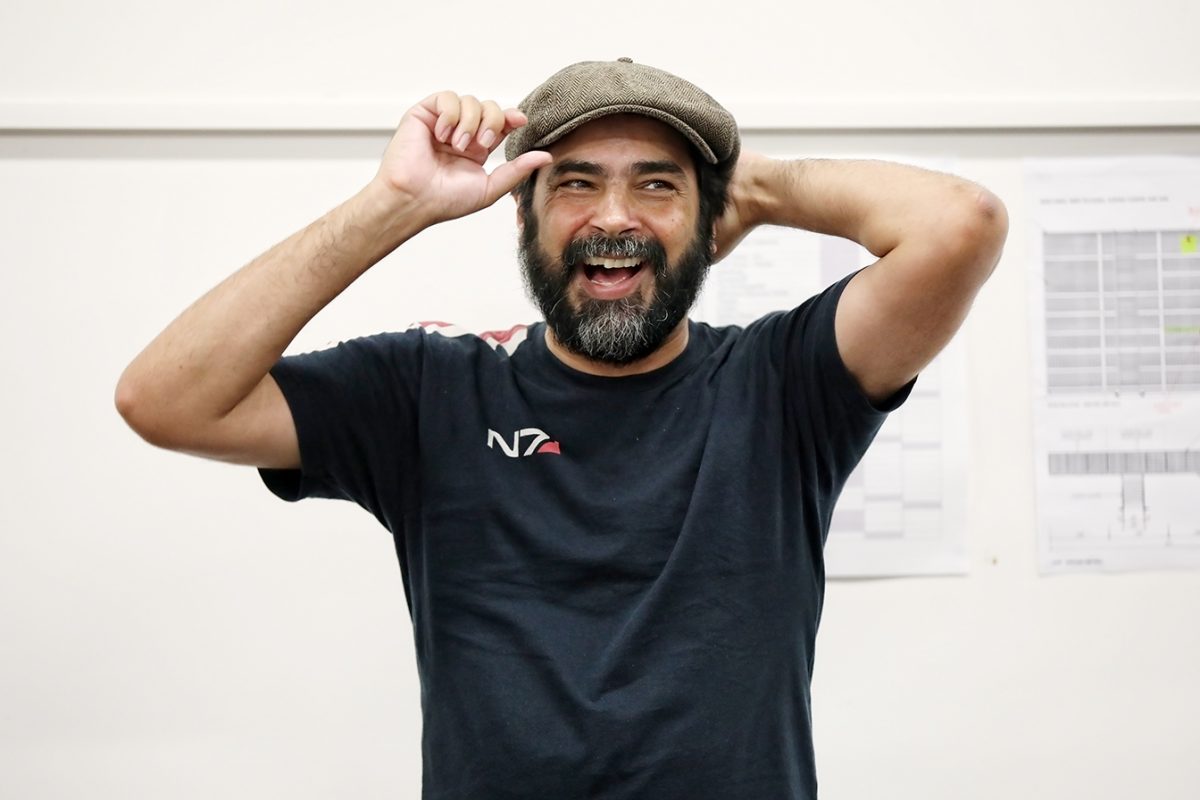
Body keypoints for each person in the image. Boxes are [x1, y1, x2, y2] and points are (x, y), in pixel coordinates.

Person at [116, 58, 1007, 799]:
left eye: (657, 187)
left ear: (712, 221)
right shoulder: (431, 389)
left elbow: (961, 224)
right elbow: (166, 399)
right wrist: (395, 202)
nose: (614, 218)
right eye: (575, 183)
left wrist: (756, 185)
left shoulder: (785, 385)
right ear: (523, 216)